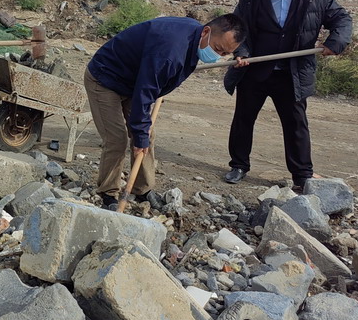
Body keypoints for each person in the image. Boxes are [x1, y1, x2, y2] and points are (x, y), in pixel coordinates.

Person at [85, 14, 247, 210]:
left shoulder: (195, 39)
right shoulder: (171, 50)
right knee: (117, 138)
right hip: (105, 78)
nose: (217, 56)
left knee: (146, 135)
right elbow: (146, 91)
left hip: (133, 82)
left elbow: (148, 87)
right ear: (206, 31)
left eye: (225, 54)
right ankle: (108, 193)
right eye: (218, 49)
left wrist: (141, 132)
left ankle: (142, 189)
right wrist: (139, 132)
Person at [223, 0, 352, 191]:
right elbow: (238, 26)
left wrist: (335, 42)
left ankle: (301, 175)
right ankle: (238, 165)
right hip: (255, 67)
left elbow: (342, 19)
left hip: (293, 71)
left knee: (296, 124)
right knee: (243, 119)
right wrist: (241, 52)